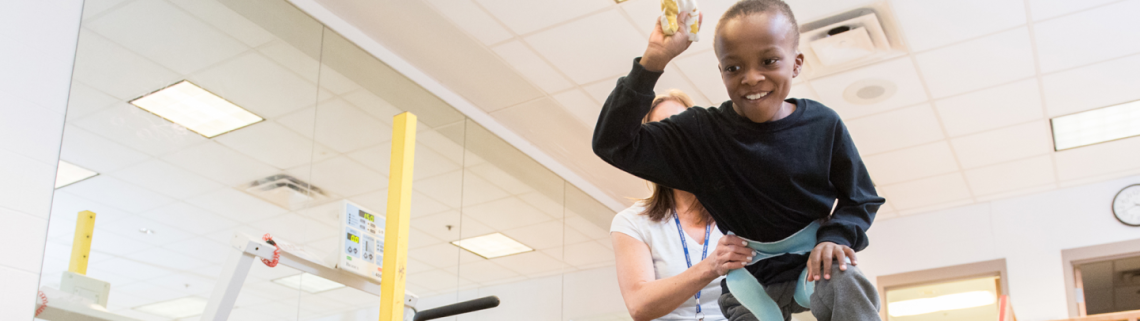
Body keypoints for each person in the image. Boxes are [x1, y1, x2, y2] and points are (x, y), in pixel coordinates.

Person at [592, 0, 886, 320]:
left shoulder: (823, 124)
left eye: (768, 61)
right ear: (721, 72)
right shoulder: (702, 135)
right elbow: (613, 143)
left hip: (813, 265)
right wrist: (654, 59)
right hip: (752, 281)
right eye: (734, 68)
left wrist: (836, 238)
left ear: (797, 63)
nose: (751, 77)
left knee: (847, 278)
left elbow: (861, 197)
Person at [611, 90, 755, 321]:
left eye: (681, 128)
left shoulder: (740, 210)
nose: (673, 141)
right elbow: (639, 306)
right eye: (660, 133)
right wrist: (711, 267)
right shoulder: (632, 222)